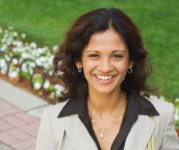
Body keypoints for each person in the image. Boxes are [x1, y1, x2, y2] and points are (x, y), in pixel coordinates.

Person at [36, 8, 179, 150]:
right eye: (94, 55)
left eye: (117, 56)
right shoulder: (52, 121)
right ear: (79, 60)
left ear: (130, 61)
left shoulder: (162, 117)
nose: (105, 68)